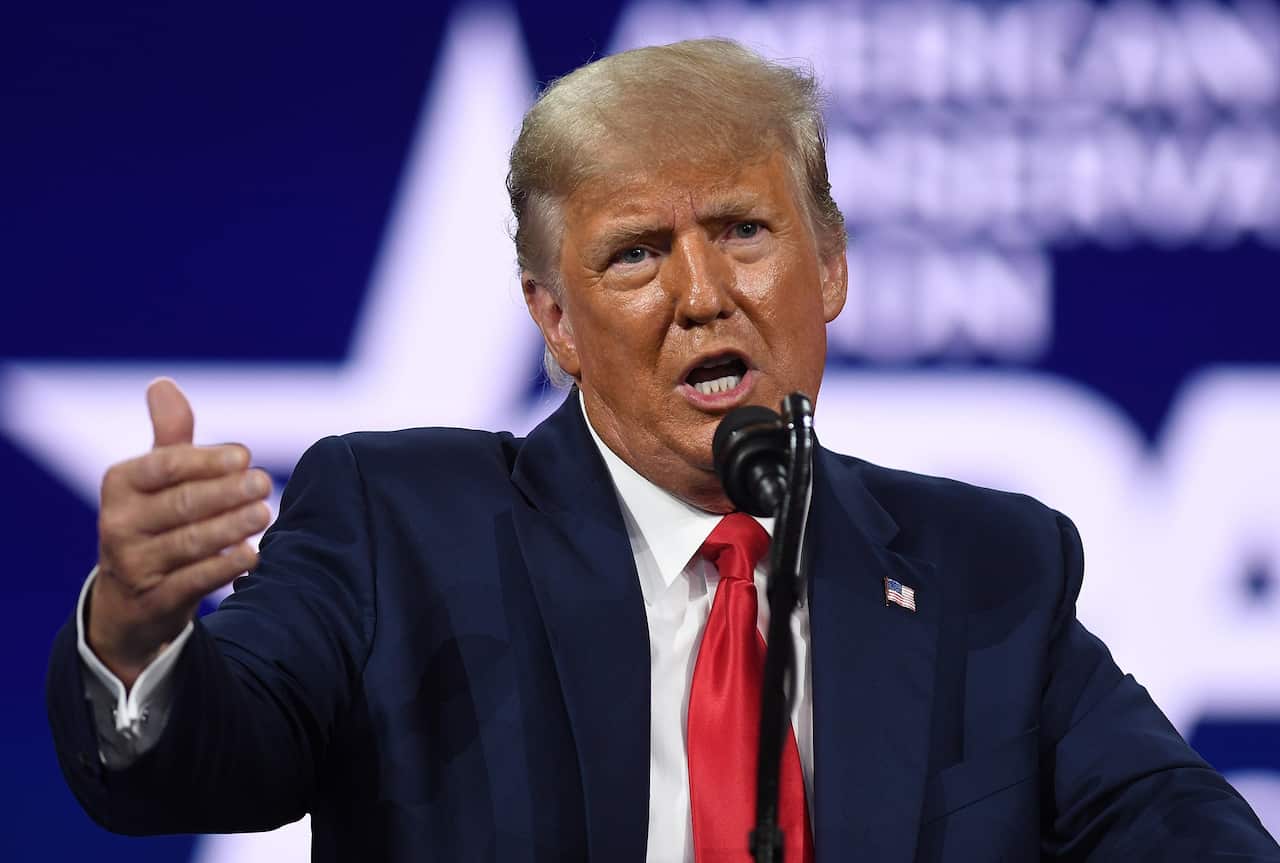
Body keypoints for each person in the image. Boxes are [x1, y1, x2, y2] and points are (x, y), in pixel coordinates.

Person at [47, 39, 1278, 862]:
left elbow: (1171, 824)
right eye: (635, 251)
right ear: (554, 320)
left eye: (743, 230)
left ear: (831, 265)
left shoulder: (985, 567)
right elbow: (205, 764)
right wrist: (139, 633)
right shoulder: (398, 522)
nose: (702, 295)